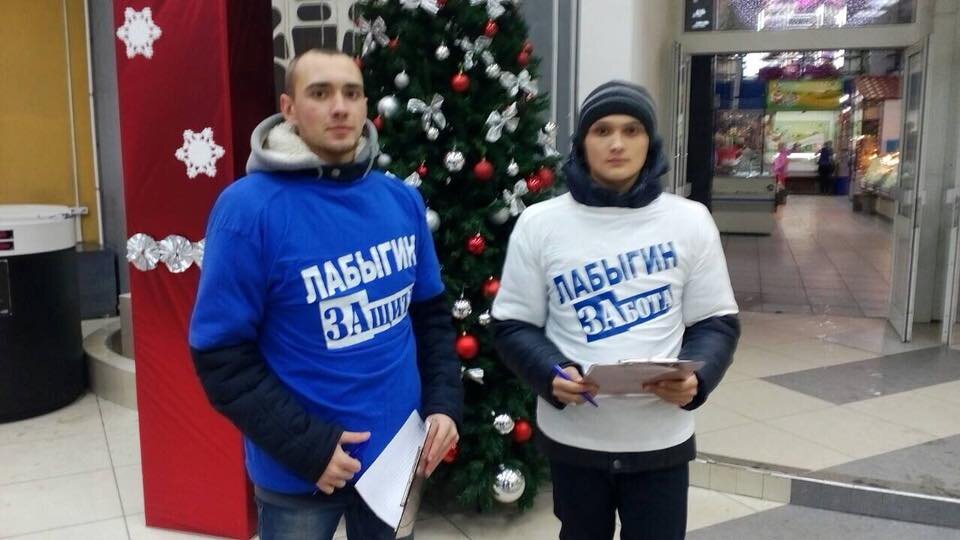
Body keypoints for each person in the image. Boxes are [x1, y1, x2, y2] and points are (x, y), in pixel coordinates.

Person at [188, 49, 462, 540]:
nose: (340, 107)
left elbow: (430, 318)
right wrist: (307, 447)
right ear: (289, 109)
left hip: (397, 460)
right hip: (299, 472)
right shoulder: (247, 211)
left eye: (352, 93)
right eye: (320, 93)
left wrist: (443, 403)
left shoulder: (401, 200)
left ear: (365, 105)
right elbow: (221, 357)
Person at [492, 81, 741, 540]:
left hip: (659, 439)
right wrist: (550, 371)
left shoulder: (689, 221)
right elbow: (512, 324)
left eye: (631, 130)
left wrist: (698, 379)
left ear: (650, 142)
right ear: (582, 143)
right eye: (602, 130)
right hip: (575, 440)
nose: (617, 144)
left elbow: (717, 322)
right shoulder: (540, 223)